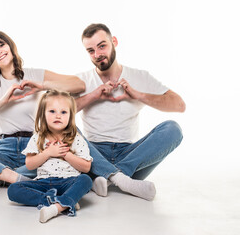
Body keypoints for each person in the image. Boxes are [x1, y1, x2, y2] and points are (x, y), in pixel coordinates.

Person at [0, 31, 85, 188]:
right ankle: (15, 177)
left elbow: (79, 85)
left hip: (36, 147)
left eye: (1, 45)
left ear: (10, 46)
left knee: (70, 138)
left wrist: (42, 86)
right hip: (5, 150)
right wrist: (2, 102)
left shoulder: (34, 74)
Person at [75, 23, 185, 198]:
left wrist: (138, 95)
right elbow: (56, 113)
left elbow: (179, 105)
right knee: (64, 129)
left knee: (173, 129)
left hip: (132, 156)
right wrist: (93, 95)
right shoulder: (81, 80)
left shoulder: (140, 77)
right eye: (90, 50)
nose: (97, 55)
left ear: (114, 42)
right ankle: (120, 179)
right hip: (93, 155)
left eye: (102, 46)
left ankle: (110, 176)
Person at [7, 90, 93, 223]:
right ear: (43, 114)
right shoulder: (37, 137)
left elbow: (86, 167)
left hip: (68, 181)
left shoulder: (76, 138)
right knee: (13, 190)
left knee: (86, 180)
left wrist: (65, 154)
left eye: (63, 112)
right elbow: (30, 164)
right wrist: (48, 153)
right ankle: (65, 201)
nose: (58, 116)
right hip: (43, 182)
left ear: (70, 116)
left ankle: (56, 208)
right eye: (52, 111)